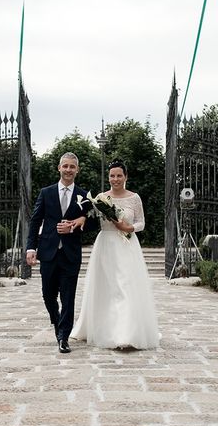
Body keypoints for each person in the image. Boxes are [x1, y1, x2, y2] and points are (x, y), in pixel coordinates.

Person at [71, 159, 159, 349]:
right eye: (112, 175)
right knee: (107, 288)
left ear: (126, 177)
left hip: (127, 244)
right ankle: (104, 327)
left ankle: (126, 333)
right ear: (109, 177)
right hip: (106, 245)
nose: (115, 179)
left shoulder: (134, 198)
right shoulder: (101, 198)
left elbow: (142, 222)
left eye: (119, 175)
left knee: (125, 287)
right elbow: (91, 219)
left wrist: (129, 227)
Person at [26, 152, 94, 354]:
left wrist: (76, 224)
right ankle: (57, 323)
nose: (68, 170)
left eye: (72, 167)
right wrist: (31, 247)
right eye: (65, 166)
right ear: (59, 168)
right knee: (48, 295)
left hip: (70, 254)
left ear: (77, 170)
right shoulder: (46, 193)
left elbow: (91, 222)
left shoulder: (84, 195)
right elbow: (36, 221)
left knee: (68, 296)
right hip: (47, 252)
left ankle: (64, 337)